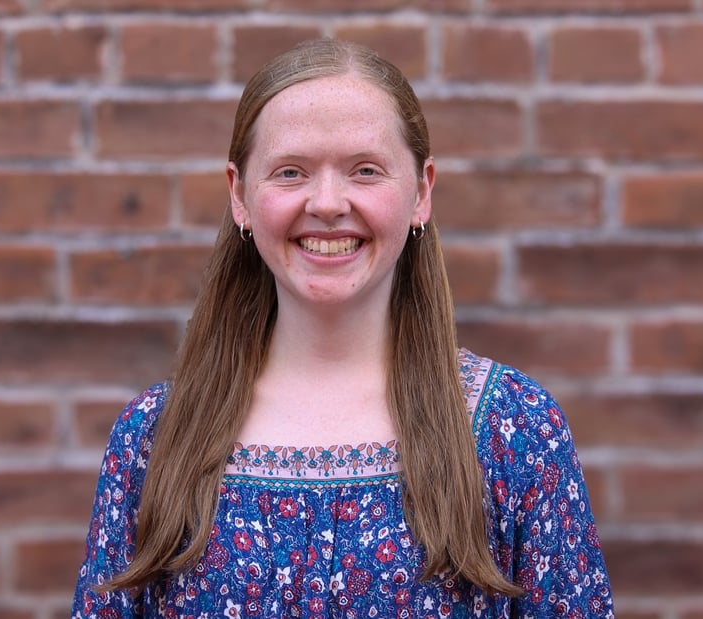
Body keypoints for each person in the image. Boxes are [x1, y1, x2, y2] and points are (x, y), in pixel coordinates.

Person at [71, 38, 614, 618]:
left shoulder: (516, 429)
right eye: (291, 172)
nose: (327, 203)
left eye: (365, 170)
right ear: (239, 194)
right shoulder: (153, 440)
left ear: (421, 191)